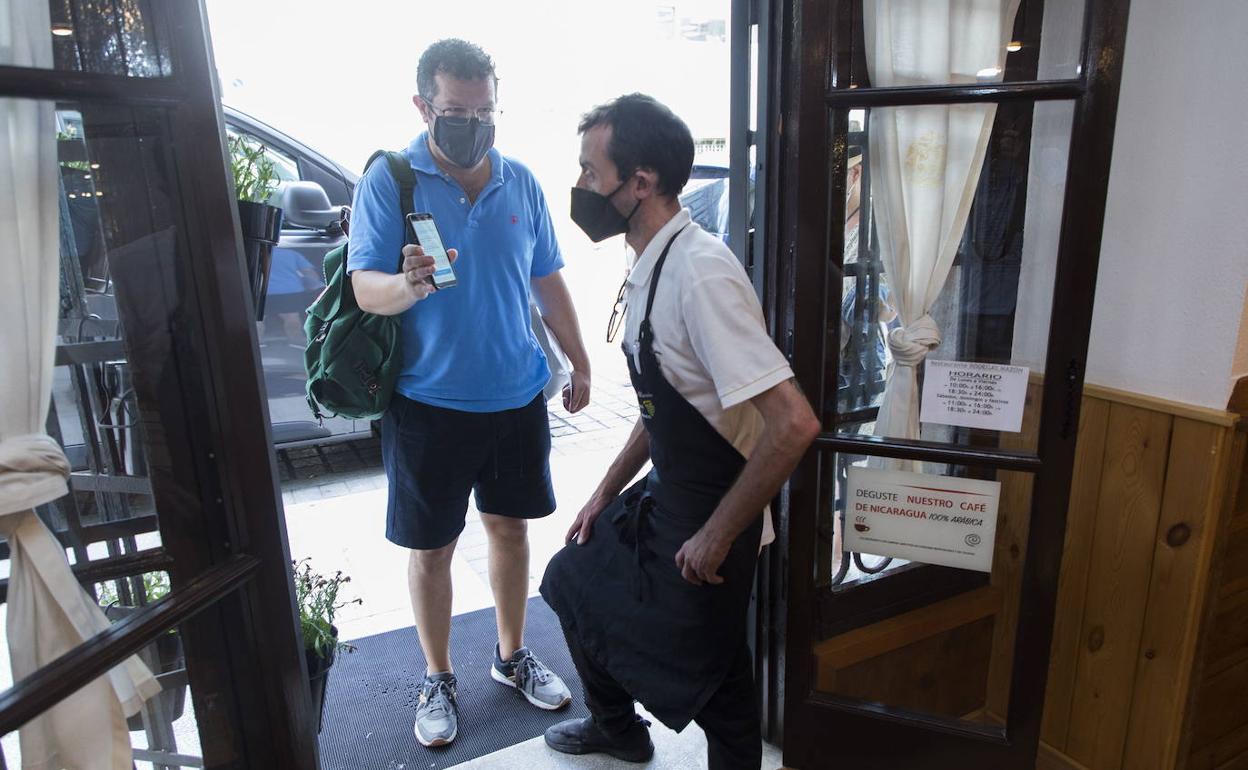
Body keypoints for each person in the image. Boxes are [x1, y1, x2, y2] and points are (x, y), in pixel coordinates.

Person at [540, 94, 821, 769]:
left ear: (639, 182)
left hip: (717, 507)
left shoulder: (701, 275)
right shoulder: (651, 262)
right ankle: (616, 726)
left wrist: (717, 534)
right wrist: (605, 491)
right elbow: (662, 402)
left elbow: (794, 424)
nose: (580, 186)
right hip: (670, 492)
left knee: (718, 683)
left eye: (589, 171)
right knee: (572, 578)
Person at [347, 39, 590, 748]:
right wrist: (410, 283)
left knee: (511, 530)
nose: (473, 123)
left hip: (517, 396)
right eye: (457, 110)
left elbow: (547, 280)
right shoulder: (393, 182)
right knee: (432, 549)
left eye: (485, 111)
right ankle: (437, 675)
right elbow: (367, 287)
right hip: (428, 404)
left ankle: (511, 655)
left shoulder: (520, 182)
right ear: (423, 105)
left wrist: (579, 359)